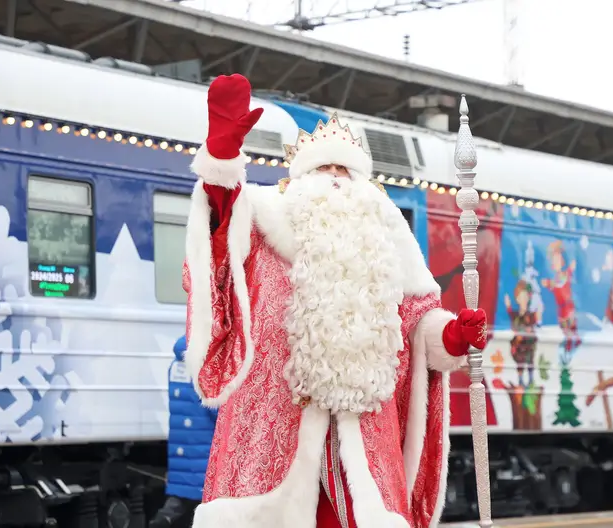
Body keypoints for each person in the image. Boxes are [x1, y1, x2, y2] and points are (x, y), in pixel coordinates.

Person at [182, 73, 488, 528]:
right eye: (324, 170)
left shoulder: (387, 237)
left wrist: (453, 335)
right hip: (272, 433)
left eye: (345, 170)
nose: (337, 180)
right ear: (299, 182)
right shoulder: (266, 219)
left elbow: (416, 322)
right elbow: (220, 243)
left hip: (363, 441)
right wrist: (222, 162)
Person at [150, 336, 218, 528]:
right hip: (202, 444)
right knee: (206, 501)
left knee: (181, 494)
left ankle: (163, 519)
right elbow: (215, 409)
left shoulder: (176, 365)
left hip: (182, 443)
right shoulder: (203, 367)